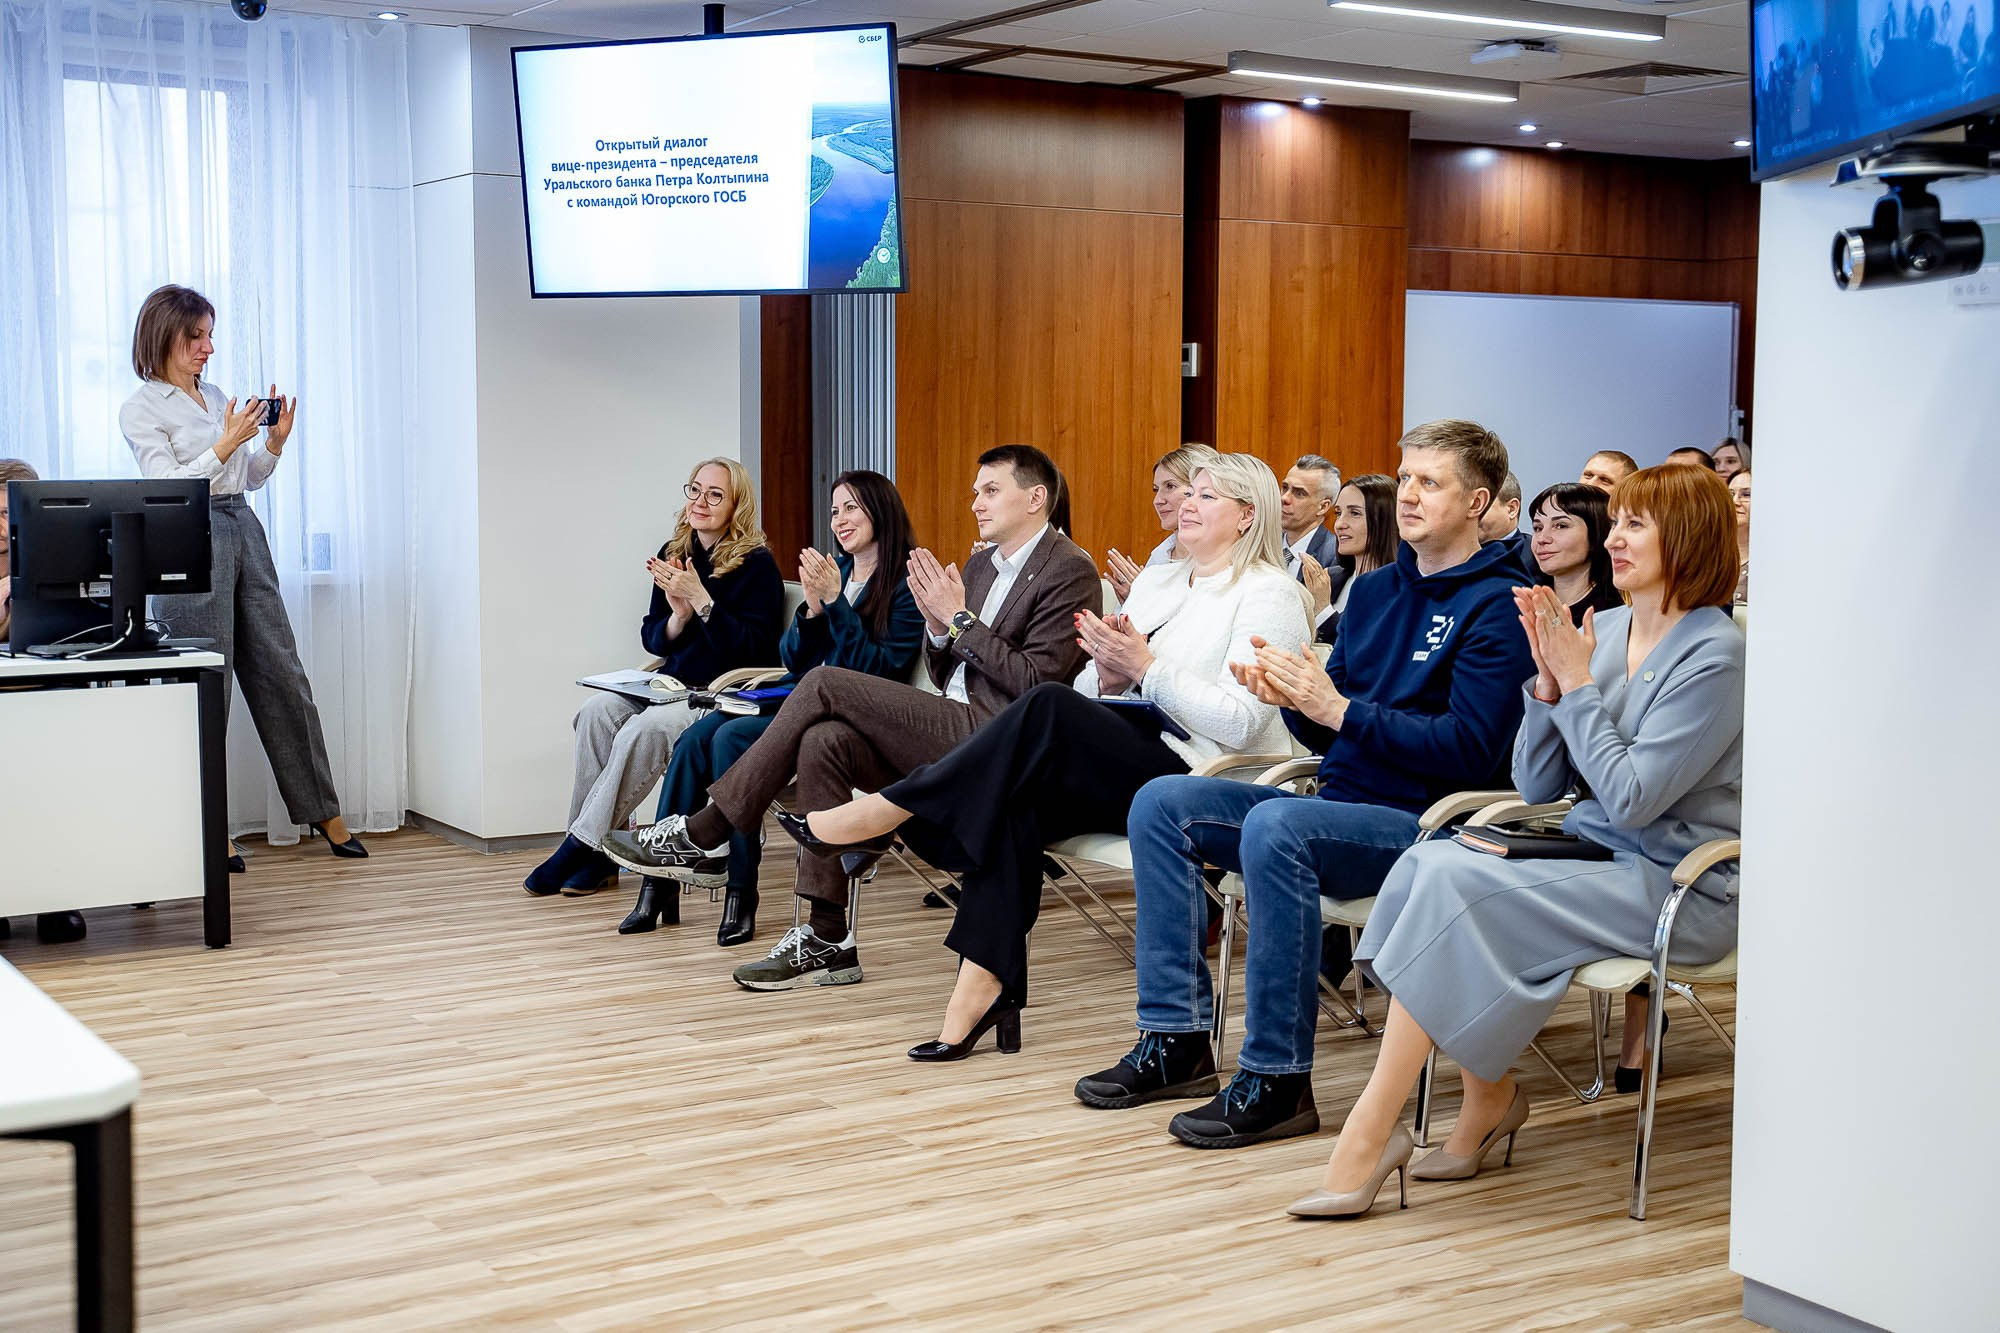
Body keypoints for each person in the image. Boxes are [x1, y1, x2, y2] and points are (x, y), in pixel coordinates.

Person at [1286, 464, 1743, 1219]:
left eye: (1635, 524)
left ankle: (1373, 1133)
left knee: (1454, 883)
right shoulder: (1614, 627)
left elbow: (1631, 799)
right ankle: (1485, 1100)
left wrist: (1580, 682)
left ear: (1688, 537)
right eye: (1617, 522)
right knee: (1430, 860)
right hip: (1595, 856)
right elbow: (1536, 785)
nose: (1616, 538)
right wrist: (1547, 686)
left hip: (1675, 882)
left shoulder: (1715, 652)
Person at [1070, 420, 1536, 1149]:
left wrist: (1337, 708)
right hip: (1341, 804)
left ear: (1478, 501)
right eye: (1405, 476)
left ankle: (1279, 1078)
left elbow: (1471, 750)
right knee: (1163, 801)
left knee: (1277, 826)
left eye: (1430, 482)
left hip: (1427, 821)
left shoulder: (1502, 604)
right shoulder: (1378, 592)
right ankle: (1177, 1039)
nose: (1408, 495)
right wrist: (1295, 699)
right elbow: (1330, 727)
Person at [789, 454, 1311, 1060]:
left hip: (1201, 776)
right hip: (1129, 748)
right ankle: (982, 988)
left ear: (1248, 516)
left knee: (1045, 705)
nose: (1185, 504)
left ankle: (894, 809)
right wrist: (1117, 680)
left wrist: (1146, 668)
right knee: (1015, 799)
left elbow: (1245, 724)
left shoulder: (1270, 593)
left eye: (1206, 496)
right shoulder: (1160, 582)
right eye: (1186, 492)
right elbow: (1090, 684)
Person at [607, 444, 1100, 991]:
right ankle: (827, 937)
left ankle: (709, 829)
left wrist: (955, 619)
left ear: (1036, 498)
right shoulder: (982, 563)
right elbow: (943, 666)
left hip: (1003, 737)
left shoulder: (1071, 569)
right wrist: (941, 629)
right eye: (975, 492)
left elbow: (1038, 687)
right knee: (825, 739)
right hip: (952, 717)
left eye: (990, 491)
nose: (976, 504)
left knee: (822, 683)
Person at [618, 471, 924, 944]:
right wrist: (812, 613)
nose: (840, 520)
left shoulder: (904, 584)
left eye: (852, 508)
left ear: (880, 512)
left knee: (729, 738)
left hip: (847, 714)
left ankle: (742, 889)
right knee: (696, 738)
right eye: (835, 509)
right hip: (795, 693)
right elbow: (793, 658)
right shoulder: (836, 570)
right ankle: (659, 882)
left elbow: (877, 671)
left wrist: (836, 606)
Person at [118, 285, 367, 863]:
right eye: (196, 336)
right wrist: (227, 442)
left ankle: (323, 812)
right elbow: (168, 487)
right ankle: (207, 825)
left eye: (210, 334)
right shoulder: (143, 407)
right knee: (207, 681)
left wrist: (273, 445)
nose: (208, 347)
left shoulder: (216, 395)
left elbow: (246, 478)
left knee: (281, 670)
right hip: (184, 536)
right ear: (163, 337)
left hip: (242, 528)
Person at [525, 457, 782, 896]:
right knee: (595, 712)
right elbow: (654, 639)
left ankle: (580, 847)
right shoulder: (674, 552)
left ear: (736, 506)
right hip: (670, 683)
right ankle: (599, 856)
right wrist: (679, 618)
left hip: (716, 695)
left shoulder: (756, 565)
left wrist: (701, 600)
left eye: (715, 494)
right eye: (695, 490)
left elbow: (753, 651)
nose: (701, 501)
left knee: (643, 731)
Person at [0, 459, 90, 944]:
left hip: (43, 701)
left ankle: (55, 896)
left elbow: (68, 631)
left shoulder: (52, 557)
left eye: (9, 513)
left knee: (58, 772)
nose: (1, 526)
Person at [1105, 445, 1219, 603]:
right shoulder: (1160, 554)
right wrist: (1131, 605)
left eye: (1170, 486)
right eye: (1156, 489)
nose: (1157, 500)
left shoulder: (1221, 559)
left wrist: (1146, 599)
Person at [1528, 482, 1622, 620]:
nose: (1542, 538)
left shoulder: (1616, 615)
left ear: (1596, 533)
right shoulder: (1523, 602)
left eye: (1560, 526)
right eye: (1538, 528)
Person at [1280, 454, 1345, 644]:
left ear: (1323, 507)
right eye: (1285, 488)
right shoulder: (1262, 546)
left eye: (1299, 493)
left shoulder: (1336, 557)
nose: (1284, 498)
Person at [1326, 473, 1397, 629]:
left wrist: (1323, 611)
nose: (1339, 524)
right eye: (1338, 513)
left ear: (1385, 520)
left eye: (1355, 513)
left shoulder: (1400, 588)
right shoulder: (1329, 578)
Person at [1729, 469, 1751, 604]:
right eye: (1730, 494)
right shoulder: (1708, 554)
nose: (1735, 501)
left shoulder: (1774, 560)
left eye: (1746, 494)